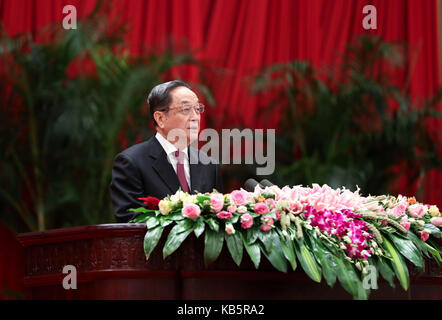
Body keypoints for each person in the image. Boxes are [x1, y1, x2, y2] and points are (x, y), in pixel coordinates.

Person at [110, 80, 223, 222]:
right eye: (186, 109)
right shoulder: (131, 163)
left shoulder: (208, 164)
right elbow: (131, 222)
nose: (195, 117)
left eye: (198, 109)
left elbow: (219, 219)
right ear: (161, 118)